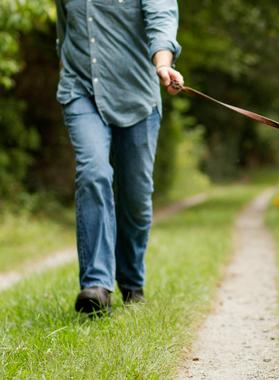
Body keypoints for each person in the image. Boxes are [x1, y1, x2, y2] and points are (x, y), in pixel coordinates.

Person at [55, 0, 184, 314]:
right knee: (93, 172)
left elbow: (161, 17)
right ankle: (97, 285)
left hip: (137, 97)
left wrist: (163, 63)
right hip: (81, 90)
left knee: (136, 198)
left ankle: (131, 283)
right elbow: (64, 29)